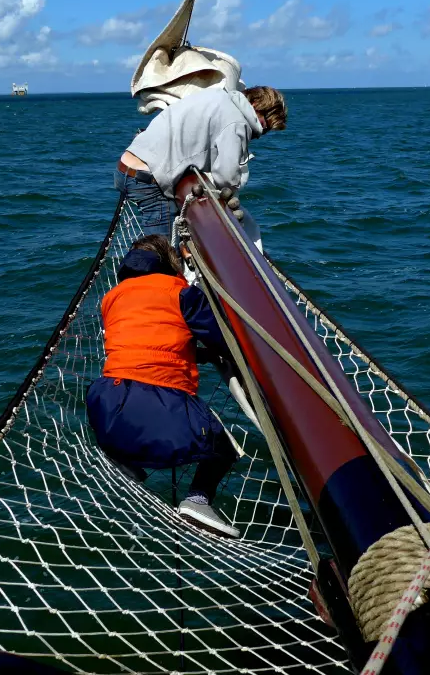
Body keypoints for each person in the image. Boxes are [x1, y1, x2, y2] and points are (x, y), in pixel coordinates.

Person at [86, 234, 241, 538]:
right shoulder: (181, 293)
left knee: (135, 424)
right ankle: (197, 500)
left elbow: (146, 342)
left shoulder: (112, 298)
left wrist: (196, 355)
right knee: (223, 447)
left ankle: (126, 461)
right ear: (171, 262)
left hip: (105, 404)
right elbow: (223, 338)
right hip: (157, 401)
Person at [115, 86, 287, 237]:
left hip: (127, 168)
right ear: (255, 105)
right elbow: (226, 177)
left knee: (155, 247)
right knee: (161, 254)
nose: (262, 131)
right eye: (265, 124)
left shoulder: (217, 96)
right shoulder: (237, 122)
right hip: (147, 180)